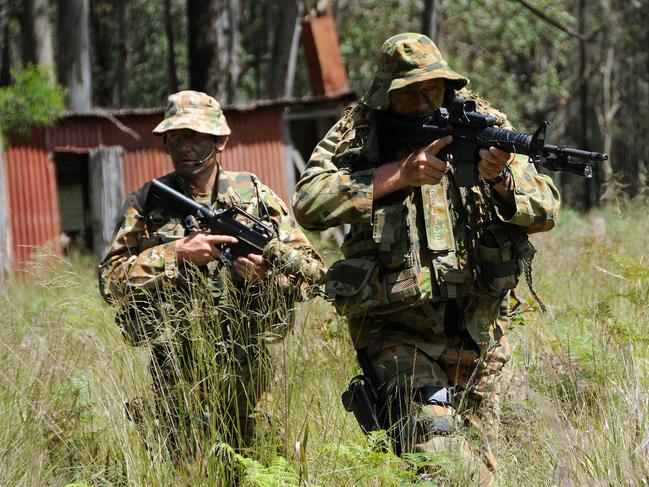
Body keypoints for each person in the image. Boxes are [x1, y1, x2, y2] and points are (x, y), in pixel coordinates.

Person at [292, 33, 560, 484]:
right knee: (443, 460)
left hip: (479, 333)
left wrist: (501, 183)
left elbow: (547, 207)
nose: (424, 101)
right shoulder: (359, 130)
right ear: (386, 95)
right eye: (410, 92)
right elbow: (309, 202)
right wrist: (398, 175)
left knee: (486, 468)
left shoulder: (483, 123)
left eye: (432, 88)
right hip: (397, 330)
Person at [98, 90, 324, 463]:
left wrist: (265, 277)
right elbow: (110, 280)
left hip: (251, 363)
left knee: (263, 466)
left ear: (220, 140)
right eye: (174, 137)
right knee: (191, 468)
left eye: (195, 136)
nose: (183, 146)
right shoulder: (147, 203)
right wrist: (175, 254)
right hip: (177, 367)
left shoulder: (254, 196)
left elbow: (307, 271)